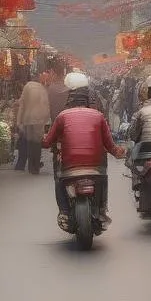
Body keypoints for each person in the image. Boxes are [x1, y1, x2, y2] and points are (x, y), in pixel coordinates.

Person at [42, 77, 124, 225]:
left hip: (69, 166)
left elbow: (47, 142)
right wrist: (119, 152)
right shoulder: (98, 114)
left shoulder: (61, 115)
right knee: (103, 177)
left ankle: (65, 212)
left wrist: (40, 140)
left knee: (59, 179)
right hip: (96, 166)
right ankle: (101, 209)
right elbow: (110, 144)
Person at [16, 78, 50, 175]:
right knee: (37, 143)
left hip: (28, 118)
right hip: (38, 119)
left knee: (30, 142)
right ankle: (36, 167)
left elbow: (22, 105)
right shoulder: (42, 89)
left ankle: (31, 167)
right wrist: (45, 119)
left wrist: (19, 121)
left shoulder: (27, 87)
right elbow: (46, 104)